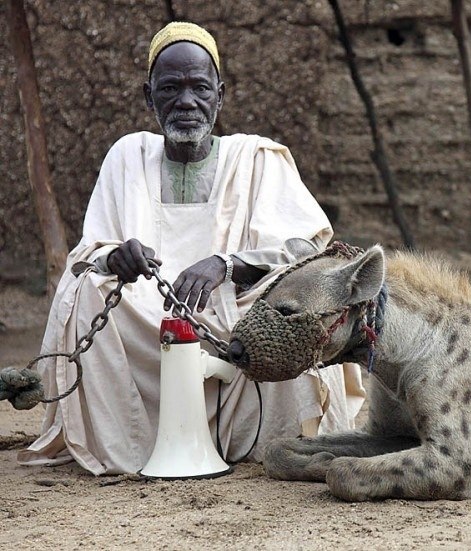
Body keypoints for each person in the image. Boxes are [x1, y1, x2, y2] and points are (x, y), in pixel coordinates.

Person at [18, 22, 365, 475]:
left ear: (220, 94)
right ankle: (131, 443)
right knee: (85, 293)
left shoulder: (256, 157)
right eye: (170, 88)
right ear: (149, 96)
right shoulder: (127, 156)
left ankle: (265, 440)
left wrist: (228, 264)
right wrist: (115, 258)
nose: (186, 102)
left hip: (236, 310)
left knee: (292, 305)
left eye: (200, 88)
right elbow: (89, 253)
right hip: (144, 314)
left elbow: (309, 249)